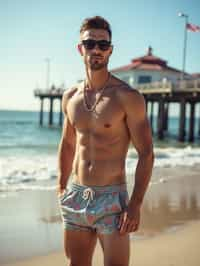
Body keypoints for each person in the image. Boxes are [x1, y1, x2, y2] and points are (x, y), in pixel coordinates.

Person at [57, 16, 154, 266]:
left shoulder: (127, 97)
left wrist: (135, 204)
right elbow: (68, 144)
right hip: (77, 195)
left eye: (103, 44)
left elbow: (146, 153)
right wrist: (60, 186)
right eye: (90, 44)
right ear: (80, 49)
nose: (96, 49)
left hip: (112, 199)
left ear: (110, 50)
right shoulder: (70, 97)